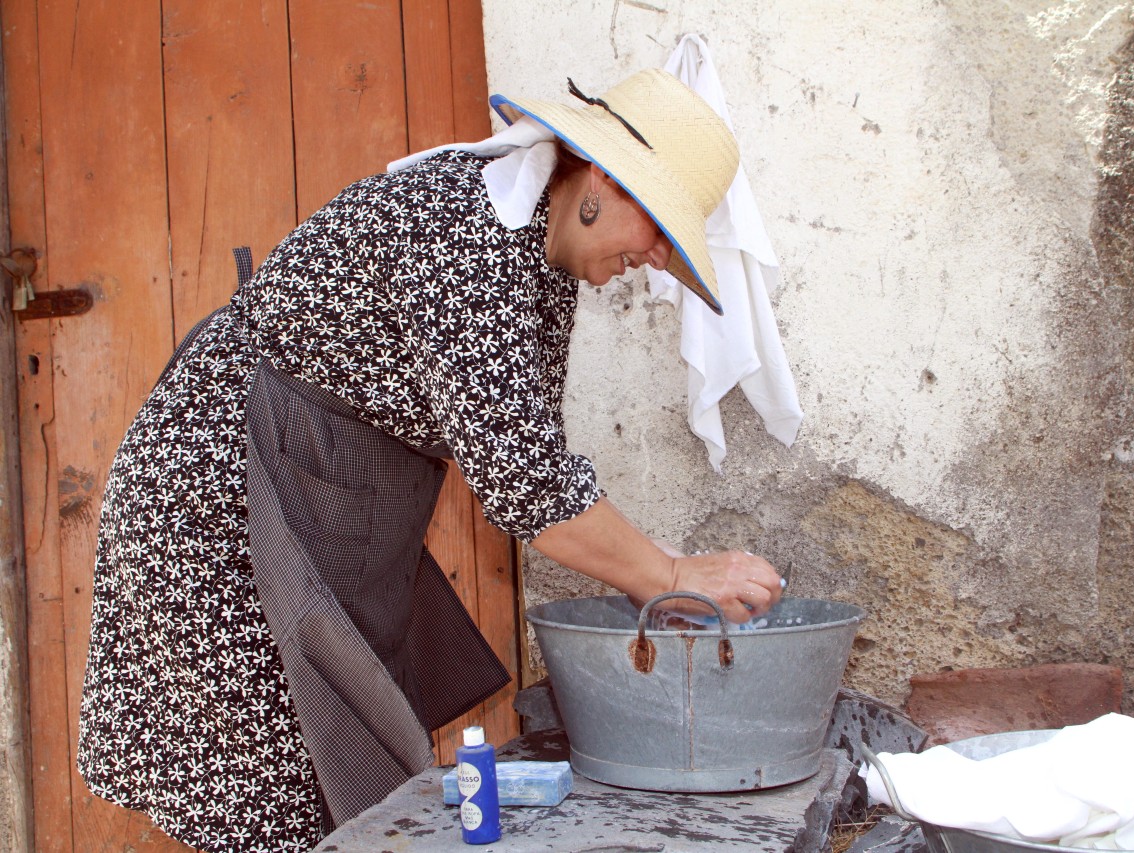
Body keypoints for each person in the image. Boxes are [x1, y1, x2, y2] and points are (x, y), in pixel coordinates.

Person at [77, 68, 784, 853]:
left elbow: (528, 451)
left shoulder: (541, 256)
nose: (653, 257)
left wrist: (655, 571)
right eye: (657, 230)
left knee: (337, 779)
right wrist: (671, 575)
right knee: (285, 785)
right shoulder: (465, 234)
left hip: (317, 490)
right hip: (222, 498)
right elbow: (528, 486)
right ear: (604, 179)